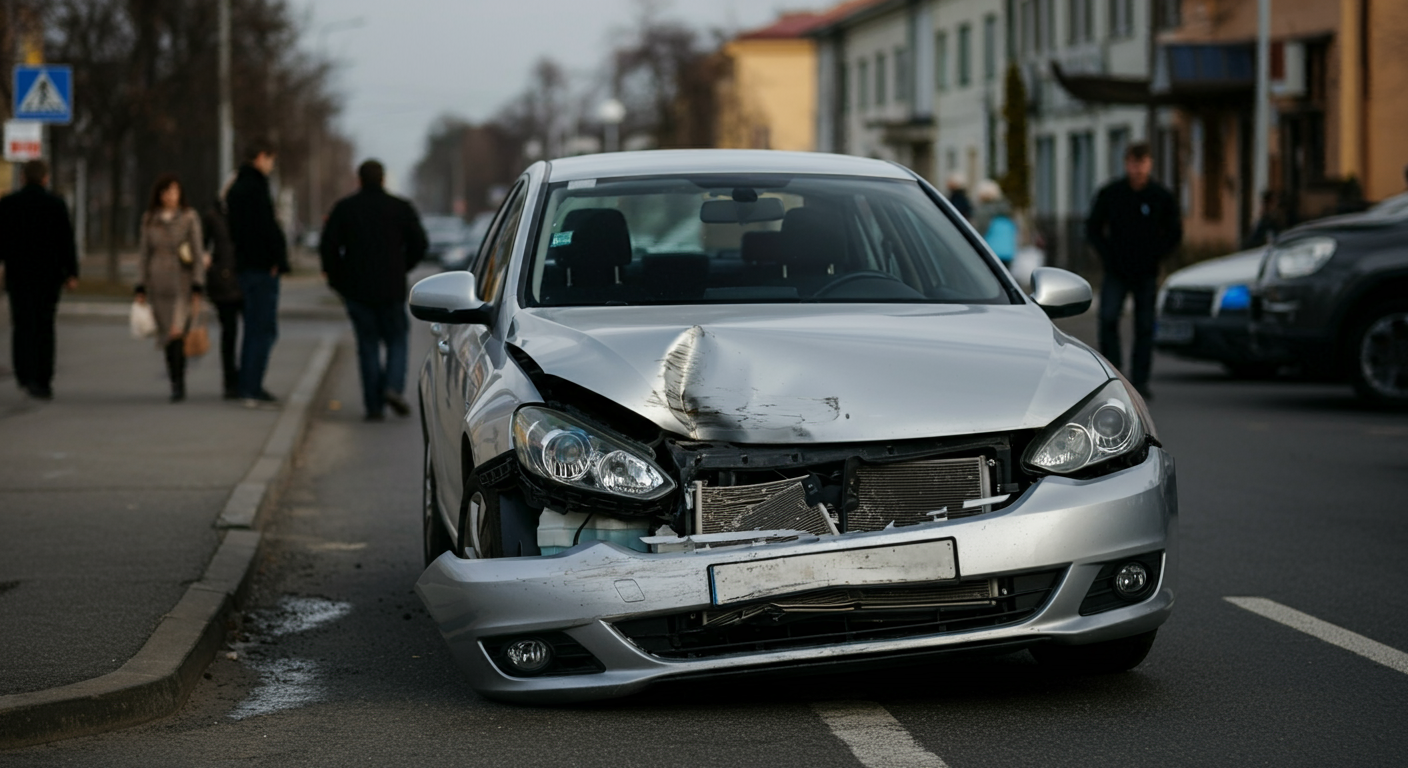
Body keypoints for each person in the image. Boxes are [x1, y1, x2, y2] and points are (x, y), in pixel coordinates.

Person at [319, 159, 429, 421]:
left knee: (367, 345)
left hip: (357, 290)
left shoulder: (345, 209)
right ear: (382, 179)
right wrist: (403, 266)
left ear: (359, 180)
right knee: (397, 340)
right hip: (391, 287)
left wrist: (338, 281)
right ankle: (392, 386)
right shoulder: (400, 208)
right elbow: (420, 244)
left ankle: (374, 405)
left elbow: (328, 248)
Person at [1085, 142, 1183, 399]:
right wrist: (1108, 255)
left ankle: (1140, 381)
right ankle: (1112, 378)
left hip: (1146, 273)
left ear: (1150, 164)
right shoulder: (1112, 193)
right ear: (1126, 163)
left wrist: (1156, 255)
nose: (1137, 169)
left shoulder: (1160, 196)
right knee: (1107, 319)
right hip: (1116, 271)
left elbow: (1174, 232)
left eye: (1142, 164)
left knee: (1144, 326)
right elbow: (1093, 227)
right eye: (1133, 163)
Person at [0, 160, 79, 400]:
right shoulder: (55, 204)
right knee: (45, 326)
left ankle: (25, 374)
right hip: (49, 276)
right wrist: (71, 273)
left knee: (23, 324)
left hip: (18, 274)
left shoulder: (8, 205)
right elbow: (67, 240)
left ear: (22, 177)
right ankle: (44, 379)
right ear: (45, 178)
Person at [225, 138, 289, 408]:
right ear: (261, 156)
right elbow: (266, 227)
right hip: (262, 267)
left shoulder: (236, 186)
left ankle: (248, 384)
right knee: (263, 329)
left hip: (245, 264)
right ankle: (251, 387)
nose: (272, 165)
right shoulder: (257, 186)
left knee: (253, 327)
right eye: (271, 159)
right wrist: (276, 259)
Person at [135, 175, 206, 402]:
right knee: (167, 334)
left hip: (182, 281)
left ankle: (179, 382)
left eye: (174, 191)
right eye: (166, 192)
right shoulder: (149, 220)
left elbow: (197, 251)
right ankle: (174, 379)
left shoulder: (189, 218)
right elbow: (144, 253)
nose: (170, 196)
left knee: (178, 331)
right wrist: (141, 285)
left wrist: (198, 283)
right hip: (158, 281)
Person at [203, 180, 242, 399]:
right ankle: (230, 380)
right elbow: (200, 244)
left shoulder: (246, 213)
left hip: (244, 277)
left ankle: (244, 376)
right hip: (222, 281)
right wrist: (208, 263)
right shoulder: (212, 216)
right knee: (229, 332)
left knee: (251, 332)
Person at [971, 179, 1017, 265]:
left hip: (990, 251)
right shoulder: (1006, 209)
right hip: (1008, 252)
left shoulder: (984, 211)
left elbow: (979, 232)